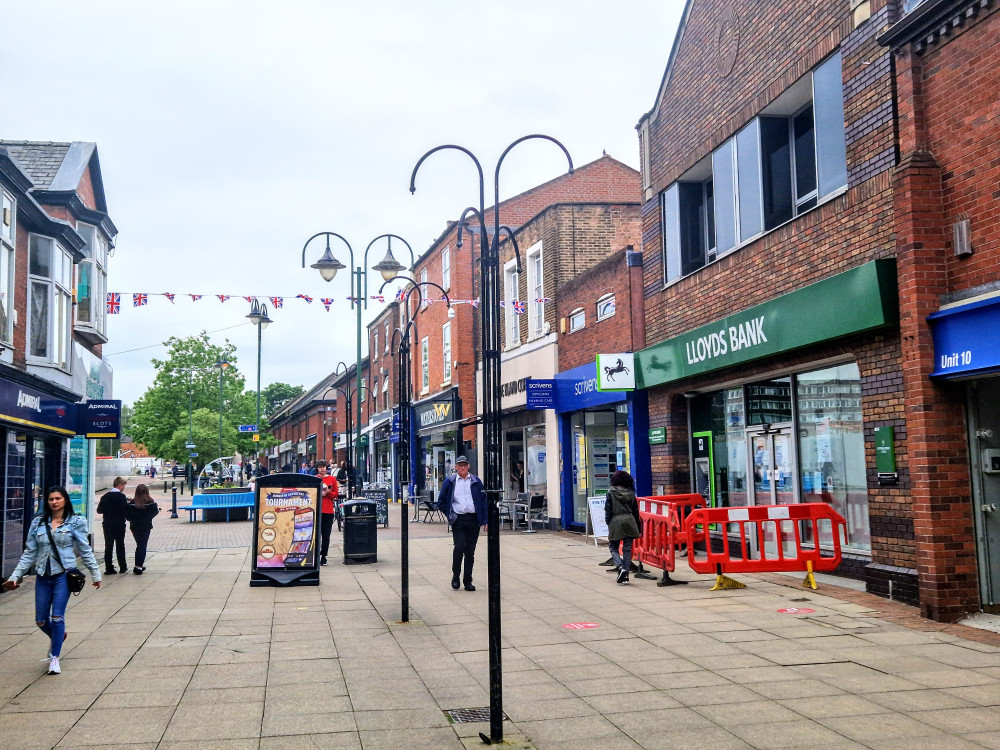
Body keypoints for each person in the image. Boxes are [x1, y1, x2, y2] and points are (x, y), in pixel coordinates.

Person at [3, 486, 102, 675]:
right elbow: (29, 553)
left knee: (57, 616)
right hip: (42, 576)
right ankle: (59, 636)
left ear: (65, 500)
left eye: (58, 498)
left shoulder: (76, 522)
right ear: (46, 502)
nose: (54, 502)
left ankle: (54, 658)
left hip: (63, 576)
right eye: (51, 499)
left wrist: (95, 574)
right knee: (40, 620)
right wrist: (15, 576)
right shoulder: (38, 523)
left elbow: (85, 549)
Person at [436, 456, 487, 591]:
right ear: (456, 467)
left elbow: (483, 501)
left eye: (465, 465)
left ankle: (468, 581)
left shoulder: (476, 481)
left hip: (473, 519)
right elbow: (441, 501)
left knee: (470, 552)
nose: (463, 467)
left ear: (468, 466)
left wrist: (484, 520)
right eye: (460, 465)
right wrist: (450, 515)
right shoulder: (450, 482)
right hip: (458, 519)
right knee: (459, 547)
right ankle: (455, 576)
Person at [605, 470, 642, 585]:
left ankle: (620, 567)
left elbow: (608, 509)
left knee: (613, 546)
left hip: (616, 520)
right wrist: (638, 525)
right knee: (627, 549)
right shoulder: (631, 493)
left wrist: (608, 521)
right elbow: (636, 511)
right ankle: (625, 574)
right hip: (629, 521)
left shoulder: (611, 492)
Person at [96, 477, 129, 574]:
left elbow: (99, 510)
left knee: (108, 545)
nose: (123, 488)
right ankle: (123, 566)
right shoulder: (122, 497)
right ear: (120, 485)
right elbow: (125, 510)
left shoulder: (105, 496)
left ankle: (109, 568)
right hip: (119, 524)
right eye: (123, 486)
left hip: (107, 524)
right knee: (120, 545)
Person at [125, 484, 159, 575]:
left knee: (139, 544)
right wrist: (148, 518)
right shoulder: (150, 503)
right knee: (142, 545)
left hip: (135, 526)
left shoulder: (132, 503)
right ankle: (138, 566)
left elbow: (127, 516)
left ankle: (139, 564)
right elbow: (155, 511)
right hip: (146, 526)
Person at [316, 460, 340, 566]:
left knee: (326, 535)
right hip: (317, 511)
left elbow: (336, 494)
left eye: (324, 467)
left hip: (328, 511)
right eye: (320, 467)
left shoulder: (332, 479)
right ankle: (316, 555)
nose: (322, 469)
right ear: (317, 468)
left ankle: (324, 556)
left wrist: (328, 493)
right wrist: (320, 494)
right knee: (316, 535)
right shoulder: (315, 479)